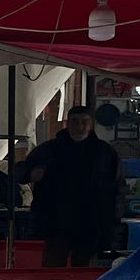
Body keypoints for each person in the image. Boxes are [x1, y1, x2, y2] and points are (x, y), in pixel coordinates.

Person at [17, 105, 121, 267]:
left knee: (84, 276)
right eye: (75, 121)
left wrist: (111, 223)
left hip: (90, 223)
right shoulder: (49, 150)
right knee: (51, 271)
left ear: (91, 123)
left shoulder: (104, 153)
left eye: (84, 122)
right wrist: (31, 174)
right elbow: (19, 172)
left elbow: (116, 188)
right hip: (55, 222)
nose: (79, 126)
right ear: (67, 123)